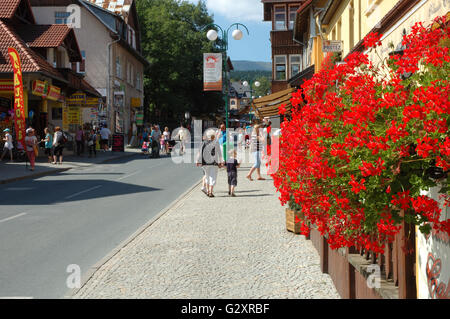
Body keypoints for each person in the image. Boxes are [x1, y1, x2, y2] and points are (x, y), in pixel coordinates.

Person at [196, 132, 223, 197]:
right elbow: (219, 153)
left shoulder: (204, 143)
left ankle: (208, 191)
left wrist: (197, 160)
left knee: (207, 176)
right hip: (214, 162)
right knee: (213, 177)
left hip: (205, 163)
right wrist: (220, 162)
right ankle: (210, 191)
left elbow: (200, 152)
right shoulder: (216, 143)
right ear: (213, 137)